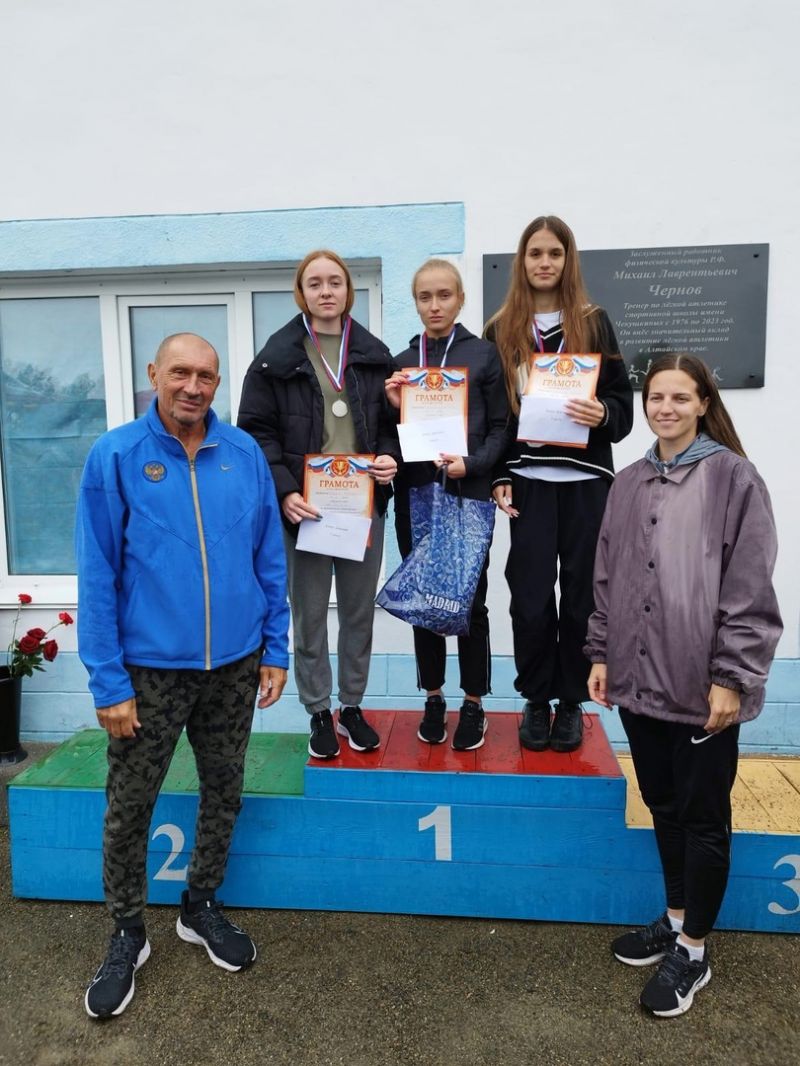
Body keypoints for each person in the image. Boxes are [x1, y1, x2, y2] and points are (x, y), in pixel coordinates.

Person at [76, 332, 290, 1019]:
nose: (193, 387)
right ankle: (127, 931)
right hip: (148, 673)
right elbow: (97, 575)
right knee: (130, 803)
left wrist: (276, 648)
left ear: (217, 382)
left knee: (225, 790)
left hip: (234, 665)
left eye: (206, 375)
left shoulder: (244, 454)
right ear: (154, 374)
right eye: (180, 373)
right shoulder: (115, 456)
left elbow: (269, 558)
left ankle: (200, 906)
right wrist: (108, 682)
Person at [585, 353, 782, 1017]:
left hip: (703, 688)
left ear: (703, 404)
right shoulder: (628, 482)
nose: (665, 408)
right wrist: (601, 653)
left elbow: (750, 587)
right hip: (638, 681)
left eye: (679, 397)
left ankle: (694, 951)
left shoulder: (734, 478)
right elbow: (607, 575)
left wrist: (732, 677)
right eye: (656, 397)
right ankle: (674, 919)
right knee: (662, 804)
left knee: (703, 819)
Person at [237, 250, 400, 759]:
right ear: (301, 293)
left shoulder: (375, 355)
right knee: (308, 614)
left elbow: (393, 424)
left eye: (335, 282)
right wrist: (285, 491)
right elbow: (255, 431)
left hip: (361, 504)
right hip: (305, 507)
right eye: (315, 283)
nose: (326, 291)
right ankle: (318, 711)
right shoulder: (274, 359)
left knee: (358, 613)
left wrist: (390, 458)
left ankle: (351, 706)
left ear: (348, 290)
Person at [488, 215, 633, 752]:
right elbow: (493, 413)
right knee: (529, 595)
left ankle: (571, 700)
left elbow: (621, 401)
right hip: (528, 481)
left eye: (555, 253)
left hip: (586, 482)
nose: (545, 262)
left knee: (580, 595)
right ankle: (536, 697)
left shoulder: (593, 322)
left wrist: (603, 413)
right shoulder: (501, 328)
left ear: (568, 260)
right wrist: (499, 474)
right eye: (535, 253)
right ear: (521, 261)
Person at [385, 259, 510, 749]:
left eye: (444, 295)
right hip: (415, 494)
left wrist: (473, 465)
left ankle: (473, 702)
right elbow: (388, 440)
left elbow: (501, 426)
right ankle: (433, 697)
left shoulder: (483, 355)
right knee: (423, 599)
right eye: (425, 297)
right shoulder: (403, 362)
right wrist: (394, 408)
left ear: (460, 299)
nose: (434, 305)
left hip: (466, 493)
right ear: (415, 302)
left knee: (469, 599)